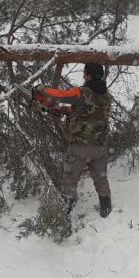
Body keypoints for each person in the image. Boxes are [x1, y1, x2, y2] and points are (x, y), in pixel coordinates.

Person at [34, 62, 112, 218]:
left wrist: (41, 89)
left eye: (85, 73)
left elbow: (60, 95)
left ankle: (64, 213)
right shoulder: (106, 96)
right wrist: (57, 109)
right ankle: (106, 209)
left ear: (89, 75)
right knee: (101, 179)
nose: (83, 76)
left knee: (69, 181)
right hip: (99, 147)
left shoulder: (81, 92)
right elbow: (84, 110)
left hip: (79, 148)